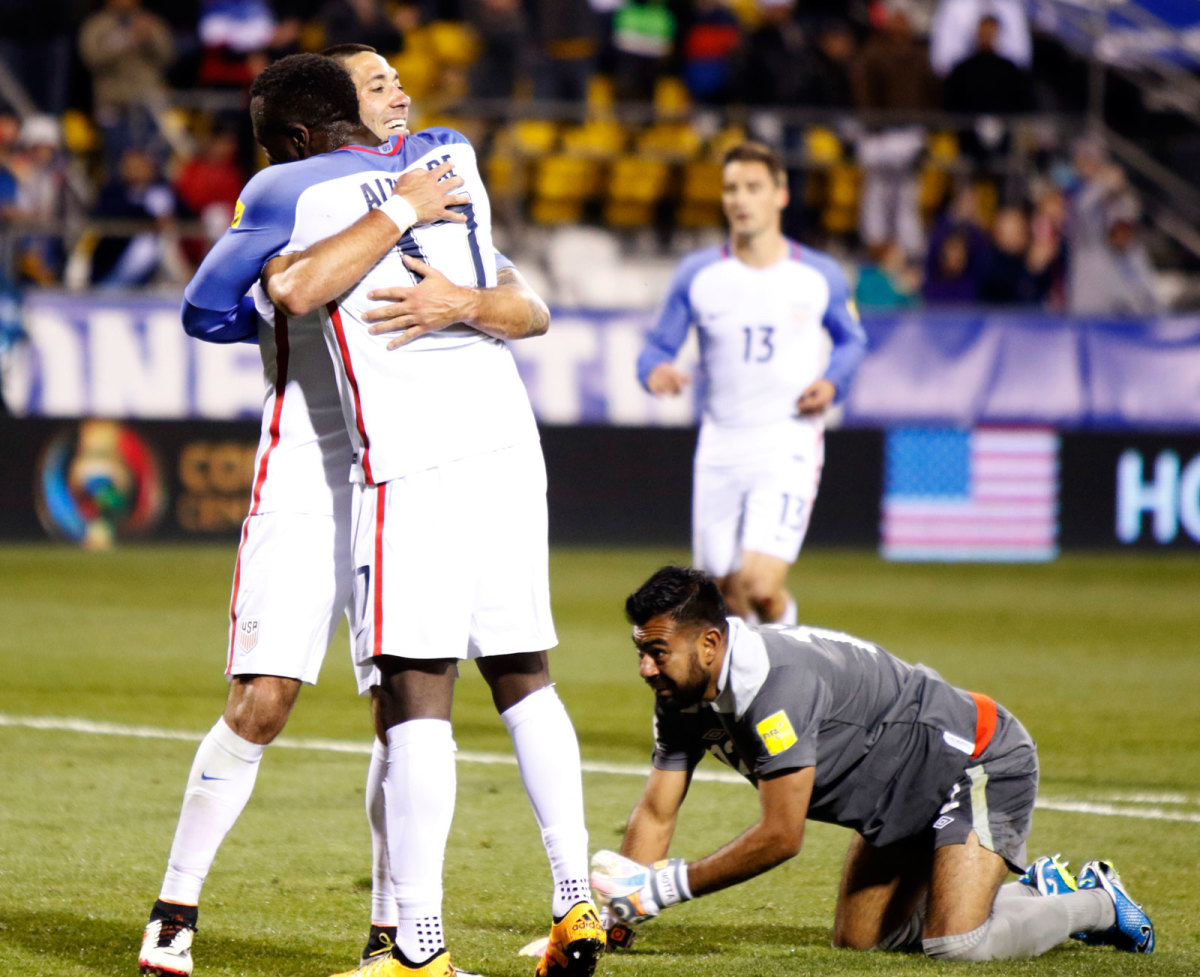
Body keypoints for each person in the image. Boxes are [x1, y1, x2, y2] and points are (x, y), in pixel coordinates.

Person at [152, 52, 603, 977]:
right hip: (316, 467)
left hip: (402, 457)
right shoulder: (292, 188)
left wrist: (465, 299)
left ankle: (397, 937)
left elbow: (529, 304)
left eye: (400, 77)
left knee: (397, 699)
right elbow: (215, 306)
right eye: (374, 82)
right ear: (329, 116)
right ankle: (174, 911)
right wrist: (298, 322)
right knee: (270, 697)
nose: (397, 90)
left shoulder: (444, 161)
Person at [590, 565, 1155, 961]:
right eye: (640, 650)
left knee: (957, 945)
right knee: (862, 942)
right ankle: (1034, 892)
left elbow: (782, 835)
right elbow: (658, 812)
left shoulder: (775, 687)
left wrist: (663, 887)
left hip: (977, 758)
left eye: (656, 652)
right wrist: (614, 922)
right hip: (898, 795)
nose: (644, 667)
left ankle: (1098, 905)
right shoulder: (681, 694)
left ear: (710, 645)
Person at [636, 141, 866, 626]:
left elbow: (851, 341)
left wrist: (833, 382)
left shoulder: (819, 275)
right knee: (725, 594)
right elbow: (657, 348)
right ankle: (751, 694)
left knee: (763, 587)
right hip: (721, 445)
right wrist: (654, 371)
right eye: (731, 189)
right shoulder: (698, 274)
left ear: (780, 195)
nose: (739, 199)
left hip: (787, 442)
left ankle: (793, 659)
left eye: (753, 188)